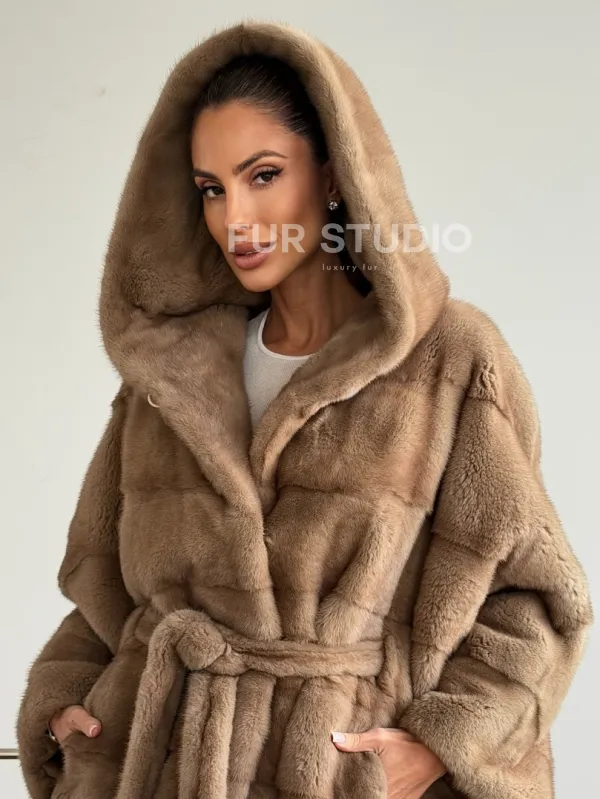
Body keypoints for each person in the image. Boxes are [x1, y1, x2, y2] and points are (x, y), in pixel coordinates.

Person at [16, 19, 592, 799]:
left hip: (336, 775)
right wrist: (64, 700)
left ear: (332, 174)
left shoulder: (449, 360)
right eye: (211, 189)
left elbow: (536, 598)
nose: (234, 219)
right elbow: (103, 584)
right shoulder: (170, 375)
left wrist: (438, 744)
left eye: (262, 175)